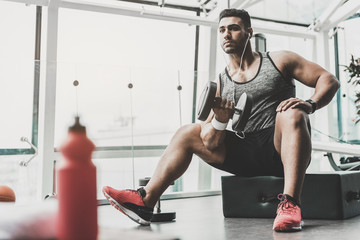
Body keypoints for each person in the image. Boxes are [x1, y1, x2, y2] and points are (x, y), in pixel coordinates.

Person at [102, 8, 340, 232]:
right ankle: (146, 201)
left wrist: (311, 103)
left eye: (234, 28)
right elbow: (211, 142)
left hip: (279, 147)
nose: (227, 34)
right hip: (243, 152)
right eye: (222, 29)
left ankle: (290, 205)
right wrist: (220, 121)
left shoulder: (279, 60)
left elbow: (328, 80)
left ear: (249, 32)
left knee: (292, 112)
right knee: (187, 132)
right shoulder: (221, 83)